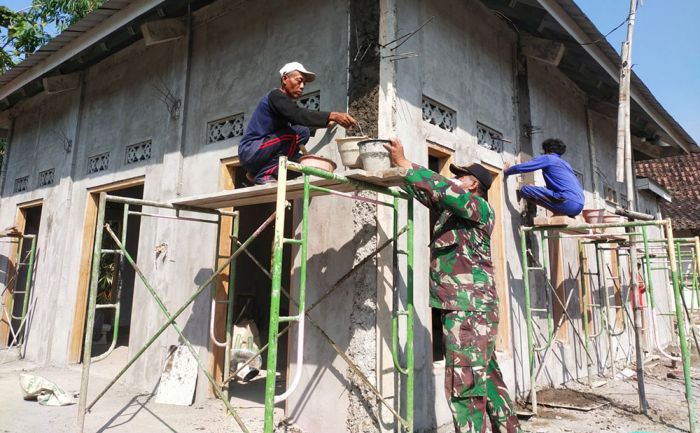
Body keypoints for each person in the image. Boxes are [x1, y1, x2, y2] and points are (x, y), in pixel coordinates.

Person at [384, 138, 521, 433]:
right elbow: (432, 194)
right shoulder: (456, 212)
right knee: (486, 377)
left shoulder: (478, 207)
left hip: (469, 309)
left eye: (459, 175)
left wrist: (406, 164)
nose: (453, 178)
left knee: (465, 386)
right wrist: (401, 174)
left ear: (473, 184)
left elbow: (442, 190)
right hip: (470, 308)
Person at [239, 62, 357, 184]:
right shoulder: (276, 96)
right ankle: (264, 174)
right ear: (285, 79)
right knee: (296, 134)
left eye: (304, 84)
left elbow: (295, 120)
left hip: (258, 152)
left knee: (300, 154)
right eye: (299, 81)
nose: (302, 86)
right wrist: (332, 115)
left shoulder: (283, 104)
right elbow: (296, 115)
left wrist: (325, 122)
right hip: (250, 150)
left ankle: (255, 172)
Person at [503, 138, 584, 217]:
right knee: (542, 191)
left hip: (567, 202)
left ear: (547, 150)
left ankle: (556, 211)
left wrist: (507, 171)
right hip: (579, 207)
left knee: (526, 190)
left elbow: (524, 167)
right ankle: (558, 211)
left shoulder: (548, 158)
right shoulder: (566, 165)